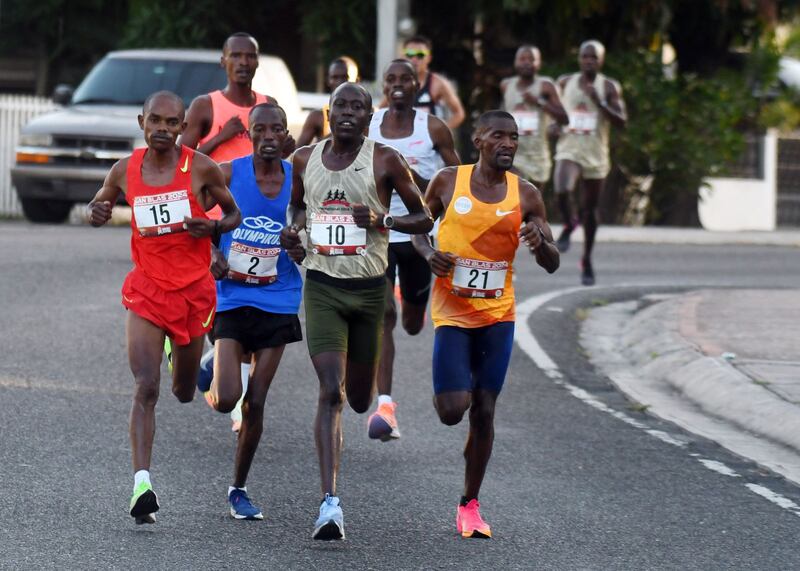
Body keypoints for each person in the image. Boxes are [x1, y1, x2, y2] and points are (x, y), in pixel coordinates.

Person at [280, 82, 433, 540]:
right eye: (341, 106)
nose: (348, 113)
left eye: (357, 108)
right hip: (323, 288)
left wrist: (382, 220)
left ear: (369, 117)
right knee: (331, 392)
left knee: (360, 397)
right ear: (329, 113)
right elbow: (296, 207)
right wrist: (294, 233)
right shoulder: (305, 158)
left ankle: (367, 401)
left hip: (369, 293)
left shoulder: (384, 159)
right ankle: (330, 504)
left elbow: (424, 218)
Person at [88, 90, 241, 524]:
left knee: (183, 391)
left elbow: (233, 215)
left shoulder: (201, 168)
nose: (162, 129)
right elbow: (98, 204)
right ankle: (142, 485)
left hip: (193, 292)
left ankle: (181, 356)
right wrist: (95, 212)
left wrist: (210, 226)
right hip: (148, 290)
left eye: (171, 123)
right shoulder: (125, 170)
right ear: (141, 122)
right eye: (154, 120)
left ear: (181, 128)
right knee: (146, 387)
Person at [411, 110, 559, 538]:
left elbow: (551, 263)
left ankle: (470, 504)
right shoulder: (446, 182)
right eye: (499, 136)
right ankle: (453, 393)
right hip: (453, 314)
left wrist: (541, 243)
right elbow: (419, 230)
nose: (508, 144)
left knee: (486, 408)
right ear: (478, 139)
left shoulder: (526, 194)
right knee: (451, 411)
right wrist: (427, 255)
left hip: (498, 316)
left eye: (514, 137)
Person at [196, 103, 303, 520]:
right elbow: (193, 215)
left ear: (284, 133)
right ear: (252, 133)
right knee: (226, 401)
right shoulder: (229, 173)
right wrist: (209, 252)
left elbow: (306, 221)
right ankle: (211, 365)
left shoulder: (296, 180)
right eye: (262, 130)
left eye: (278, 129)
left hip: (279, 297)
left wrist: (300, 243)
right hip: (233, 297)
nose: (270, 137)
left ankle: (238, 488)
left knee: (255, 402)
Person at [365, 59, 460, 441]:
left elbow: (456, 182)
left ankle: (413, 301)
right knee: (383, 315)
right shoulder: (370, 125)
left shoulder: (431, 127)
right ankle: (385, 406)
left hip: (421, 234)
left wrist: (410, 177)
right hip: (380, 233)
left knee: (412, 322)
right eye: (392, 79)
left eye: (406, 79)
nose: (399, 84)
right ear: (384, 85)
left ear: (418, 84)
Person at [179, 32, 279, 219]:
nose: (243, 62)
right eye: (235, 55)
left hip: (258, 216)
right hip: (216, 215)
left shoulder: (269, 105)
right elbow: (180, 161)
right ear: (223, 61)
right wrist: (220, 138)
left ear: (257, 62)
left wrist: (284, 149)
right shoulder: (205, 105)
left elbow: (276, 164)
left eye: (250, 56)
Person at [552, 40, 626, 285]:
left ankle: (587, 258)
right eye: (585, 57)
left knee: (590, 211)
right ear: (579, 59)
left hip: (595, 154)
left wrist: (600, 102)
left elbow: (621, 122)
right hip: (569, 149)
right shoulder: (565, 82)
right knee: (562, 189)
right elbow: (556, 112)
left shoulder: (608, 86)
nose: (588, 61)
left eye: (593, 57)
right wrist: (554, 124)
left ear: (601, 60)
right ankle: (569, 223)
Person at [500, 45, 568, 188]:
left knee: (533, 205)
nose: (526, 63)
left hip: (538, 156)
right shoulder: (506, 85)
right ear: (515, 62)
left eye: (531, 59)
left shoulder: (546, 86)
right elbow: (503, 113)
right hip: (514, 155)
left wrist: (539, 102)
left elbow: (564, 118)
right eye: (522, 59)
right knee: (513, 193)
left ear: (539, 63)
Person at [402, 35, 465, 129]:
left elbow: (459, 114)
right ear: (403, 57)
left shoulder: (438, 83)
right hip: (403, 141)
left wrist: (440, 134)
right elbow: (380, 109)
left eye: (420, 55)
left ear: (429, 58)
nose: (414, 59)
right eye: (410, 54)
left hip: (429, 142)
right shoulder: (397, 83)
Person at [297, 56, 360, 147]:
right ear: (328, 81)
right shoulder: (317, 117)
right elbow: (297, 155)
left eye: (345, 77)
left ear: (357, 81)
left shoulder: (370, 115)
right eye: (335, 77)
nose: (339, 82)